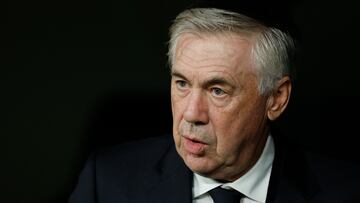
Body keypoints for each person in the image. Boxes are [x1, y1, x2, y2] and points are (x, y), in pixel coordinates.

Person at [69, 3, 360, 203]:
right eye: (182, 83)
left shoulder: (347, 191)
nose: (191, 114)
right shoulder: (107, 181)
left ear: (276, 98)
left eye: (218, 90)